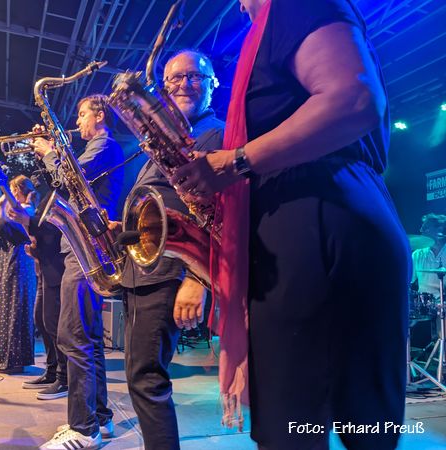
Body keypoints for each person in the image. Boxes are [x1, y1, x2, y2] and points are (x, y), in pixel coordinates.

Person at [171, 1, 410, 449]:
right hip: (332, 216)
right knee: (366, 430)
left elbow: (354, 98)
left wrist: (235, 162)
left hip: (317, 218)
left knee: (293, 433)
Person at [119, 49, 224, 450]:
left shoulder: (219, 134)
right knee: (140, 374)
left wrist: (198, 277)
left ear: (212, 83)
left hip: (173, 270)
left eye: (193, 76)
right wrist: (123, 229)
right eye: (174, 79)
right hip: (144, 267)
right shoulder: (158, 142)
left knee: (147, 377)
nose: (183, 84)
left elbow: (223, 214)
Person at [37, 94, 124, 450]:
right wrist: (52, 149)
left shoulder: (104, 145)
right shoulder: (98, 148)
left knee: (72, 336)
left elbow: (69, 179)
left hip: (85, 248)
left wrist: (49, 151)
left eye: (82, 114)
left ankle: (83, 429)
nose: (78, 121)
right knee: (88, 338)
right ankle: (98, 418)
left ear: (100, 115)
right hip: (84, 248)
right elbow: (66, 180)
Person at [8, 183, 68, 395]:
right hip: (45, 265)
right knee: (42, 321)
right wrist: (36, 250)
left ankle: (64, 377)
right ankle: (52, 371)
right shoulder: (49, 195)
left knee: (53, 323)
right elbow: (44, 234)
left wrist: (27, 220)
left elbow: (53, 231)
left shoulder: (61, 194)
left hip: (56, 267)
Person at [0, 175, 38, 374]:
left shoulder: (27, 209)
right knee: (8, 304)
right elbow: (1, 227)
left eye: (12, 190)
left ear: (17, 190)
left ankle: (14, 359)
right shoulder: (18, 209)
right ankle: (8, 358)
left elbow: (3, 224)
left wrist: (2, 200)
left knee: (15, 305)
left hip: (19, 259)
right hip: (10, 257)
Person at [411, 213, 446, 297]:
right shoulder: (417, 255)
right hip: (424, 303)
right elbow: (408, 281)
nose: (421, 230)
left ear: (439, 229)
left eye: (425, 228)